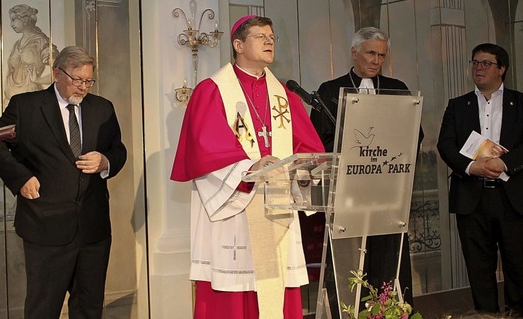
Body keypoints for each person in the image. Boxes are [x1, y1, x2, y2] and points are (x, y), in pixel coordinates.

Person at [171, 15, 325, 318]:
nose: (269, 41)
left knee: (276, 283)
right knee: (235, 289)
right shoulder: (213, 90)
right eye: (261, 36)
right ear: (238, 44)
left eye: (272, 37)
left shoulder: (285, 95)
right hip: (237, 206)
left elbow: (308, 147)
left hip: (277, 205)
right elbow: (205, 148)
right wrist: (250, 167)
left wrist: (306, 167)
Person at [0, 46, 127, 318]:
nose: (83, 87)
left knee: (89, 308)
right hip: (45, 227)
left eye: (88, 80)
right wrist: (21, 178)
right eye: (77, 80)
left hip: (93, 229)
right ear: (56, 74)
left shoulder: (102, 108)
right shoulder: (25, 106)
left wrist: (105, 161)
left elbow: (118, 150)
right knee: (43, 309)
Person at [309, 27, 422, 307]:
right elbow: (318, 141)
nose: (376, 60)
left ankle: (391, 310)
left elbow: (413, 135)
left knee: (388, 261)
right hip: (347, 197)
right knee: (350, 266)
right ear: (354, 52)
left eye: (381, 55)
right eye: (370, 53)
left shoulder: (398, 89)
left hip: (387, 195)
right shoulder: (330, 91)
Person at [438, 43, 523, 316]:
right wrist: (471, 167)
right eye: (475, 62)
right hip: (471, 198)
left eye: (486, 63)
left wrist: (504, 163)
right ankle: (486, 315)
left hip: (512, 197)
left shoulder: (520, 103)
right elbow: (446, 145)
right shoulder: (457, 105)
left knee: (518, 264)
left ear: (502, 69)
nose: (479, 68)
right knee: (478, 265)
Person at [4, 4, 59, 105]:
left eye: (14, 19)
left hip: (30, 98)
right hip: (10, 97)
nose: (11, 24)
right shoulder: (17, 43)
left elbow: (60, 72)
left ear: (24, 20)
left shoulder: (41, 41)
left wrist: (38, 80)